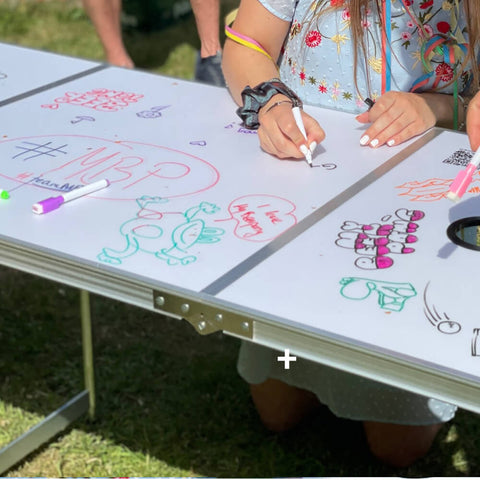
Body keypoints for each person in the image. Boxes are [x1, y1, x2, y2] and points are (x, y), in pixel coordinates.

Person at [222, 0, 480, 467]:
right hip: (307, 200)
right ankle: (305, 363)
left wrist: (437, 108)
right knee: (279, 411)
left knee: (396, 449)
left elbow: (472, 94)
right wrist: (272, 102)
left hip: (411, 222)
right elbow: (246, 43)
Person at [81, 0, 226, 86]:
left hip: (185, 10)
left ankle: (212, 72)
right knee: (129, 79)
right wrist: (116, 54)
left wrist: (211, 48)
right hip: (138, 21)